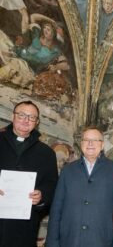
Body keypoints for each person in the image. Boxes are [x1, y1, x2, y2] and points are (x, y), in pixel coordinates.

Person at [46, 126, 113, 247]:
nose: (90, 143)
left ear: (102, 145)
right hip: (70, 240)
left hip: (101, 241)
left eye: (95, 140)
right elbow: (56, 209)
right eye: (86, 139)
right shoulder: (68, 170)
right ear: (81, 143)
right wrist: (52, 242)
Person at [0, 100, 58, 247]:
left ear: (36, 122)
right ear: (13, 117)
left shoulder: (47, 153)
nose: (26, 120)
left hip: (24, 226)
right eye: (21, 115)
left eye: (32, 117)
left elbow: (52, 185)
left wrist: (41, 195)